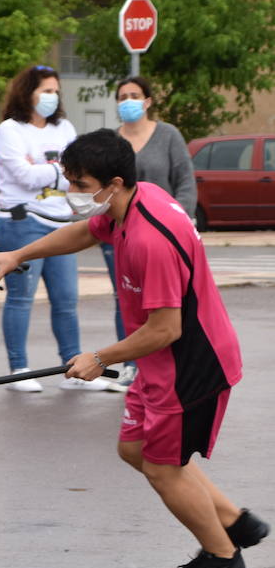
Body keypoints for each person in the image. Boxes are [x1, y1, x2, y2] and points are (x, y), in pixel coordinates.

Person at [0, 128, 267, 568]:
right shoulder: (132, 201)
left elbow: (166, 329)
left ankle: (222, 557)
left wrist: (97, 357)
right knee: (134, 449)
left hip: (191, 363)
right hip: (163, 362)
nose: (72, 194)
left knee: (162, 467)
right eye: (70, 182)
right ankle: (235, 522)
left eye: (80, 185)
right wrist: (18, 255)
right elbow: (84, 230)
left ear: (112, 182)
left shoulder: (149, 240)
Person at [0, 64, 108, 392]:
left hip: (61, 223)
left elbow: (75, 171)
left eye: (55, 91)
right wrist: (58, 170)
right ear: (27, 92)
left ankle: (73, 369)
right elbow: (23, 176)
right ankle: (18, 369)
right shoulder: (11, 130)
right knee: (21, 298)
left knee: (67, 300)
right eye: (45, 90)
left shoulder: (64, 128)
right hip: (21, 222)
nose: (51, 97)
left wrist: (45, 168)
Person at [101, 76, 198, 392]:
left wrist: (179, 221)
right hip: (121, 233)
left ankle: (169, 363)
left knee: (166, 304)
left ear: (147, 101)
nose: (127, 100)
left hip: (161, 234)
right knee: (126, 299)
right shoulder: (112, 141)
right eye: (122, 96)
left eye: (134, 95)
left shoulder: (168, 135)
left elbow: (184, 180)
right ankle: (132, 366)